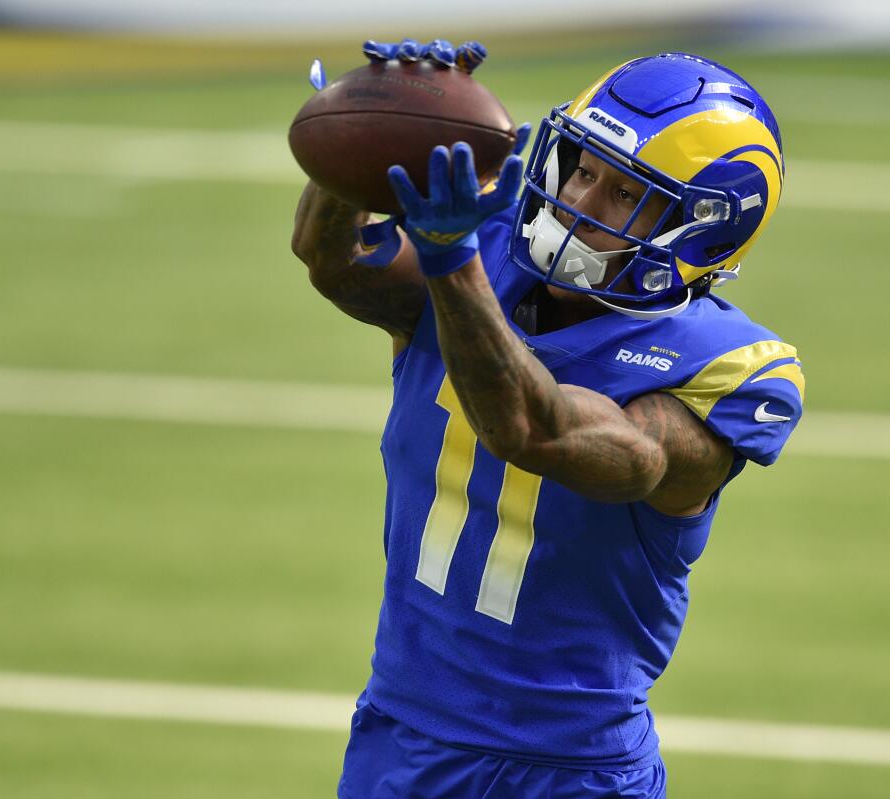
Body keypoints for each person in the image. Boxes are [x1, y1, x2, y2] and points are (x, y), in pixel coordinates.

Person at [291, 38, 804, 799]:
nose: (581, 203)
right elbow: (330, 259)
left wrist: (450, 259)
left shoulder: (722, 369)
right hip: (401, 738)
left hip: (567, 769)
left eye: (627, 194)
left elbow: (538, 431)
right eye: (585, 169)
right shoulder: (483, 249)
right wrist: (371, 135)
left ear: (704, 230)